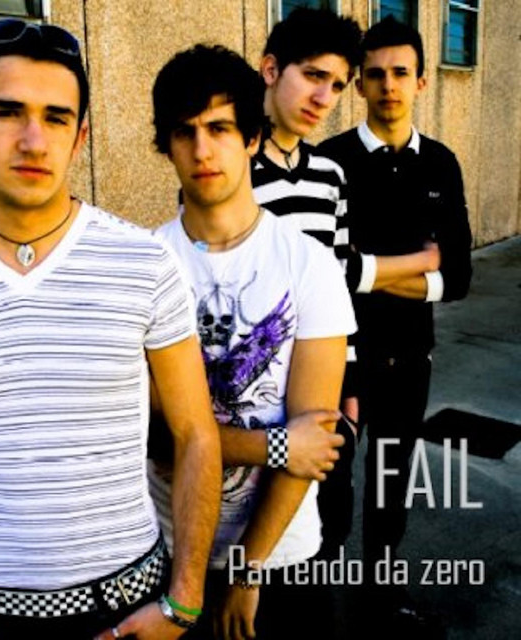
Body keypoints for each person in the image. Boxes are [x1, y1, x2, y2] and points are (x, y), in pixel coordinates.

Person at [0, 19, 222, 640]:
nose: (33, 140)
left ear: (80, 135)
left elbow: (196, 432)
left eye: (56, 118)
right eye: (8, 112)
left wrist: (185, 601)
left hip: (129, 606)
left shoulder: (145, 265)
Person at [149, 44, 357, 640]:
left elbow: (316, 435)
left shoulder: (308, 264)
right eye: (184, 132)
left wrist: (248, 570)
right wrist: (277, 446)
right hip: (166, 552)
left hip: (282, 555)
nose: (202, 150)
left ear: (251, 137)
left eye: (219, 128)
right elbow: (156, 436)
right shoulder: (145, 267)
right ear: (165, 145)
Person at [318, 15, 472, 626]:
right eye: (376, 74)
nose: (388, 85)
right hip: (339, 359)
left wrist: (365, 270)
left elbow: (458, 276)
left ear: (421, 81)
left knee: (391, 480)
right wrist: (418, 265)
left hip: (409, 356)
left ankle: (381, 590)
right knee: (330, 484)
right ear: (358, 84)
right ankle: (318, 593)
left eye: (401, 73)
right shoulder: (330, 163)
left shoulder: (442, 164)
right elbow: (326, 273)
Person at [252, 6, 363, 559]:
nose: (324, 97)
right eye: (314, 75)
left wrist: (350, 386)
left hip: (325, 388)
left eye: (337, 85)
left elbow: (339, 285)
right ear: (271, 69)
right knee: (257, 540)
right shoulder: (229, 169)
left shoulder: (330, 176)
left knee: (326, 535)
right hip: (255, 394)